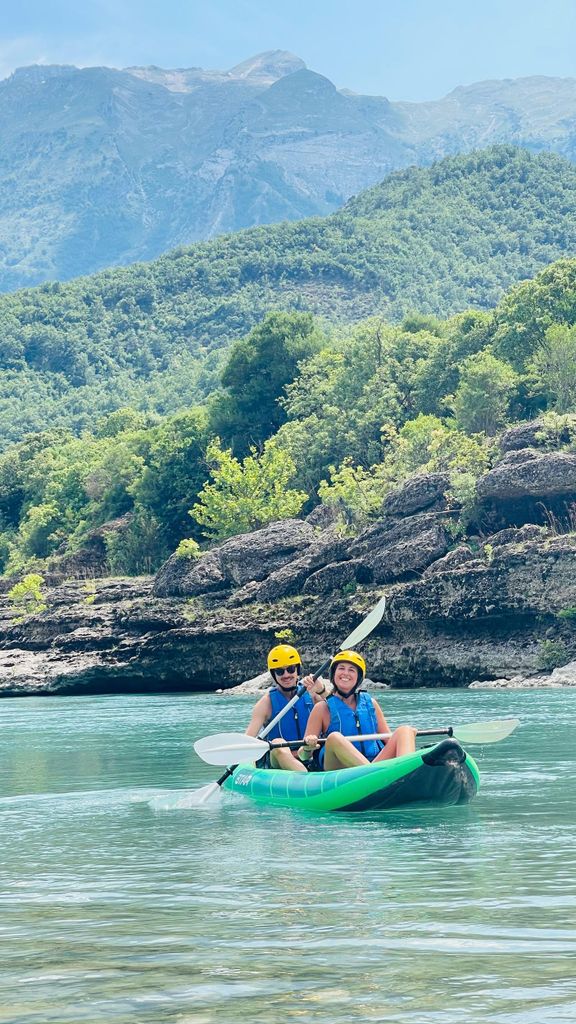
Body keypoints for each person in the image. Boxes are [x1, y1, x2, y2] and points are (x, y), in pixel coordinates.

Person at [300, 650, 416, 770]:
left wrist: (407, 738)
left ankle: (408, 773)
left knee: (405, 730)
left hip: (374, 764)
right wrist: (307, 747)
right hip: (340, 771)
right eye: (341, 668)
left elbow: (389, 740)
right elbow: (303, 756)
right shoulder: (321, 708)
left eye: (351, 670)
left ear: (358, 677)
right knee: (334, 737)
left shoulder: (371, 704)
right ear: (333, 674)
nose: (345, 673)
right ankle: (372, 775)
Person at [245, 644, 328, 771]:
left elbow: (338, 712)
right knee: (278, 743)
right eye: (279, 671)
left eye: (290, 669)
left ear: (297, 670)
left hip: (310, 755)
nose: (286, 675)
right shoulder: (266, 703)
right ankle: (304, 779)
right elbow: (248, 741)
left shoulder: (311, 694)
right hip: (279, 761)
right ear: (274, 675)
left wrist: (322, 690)